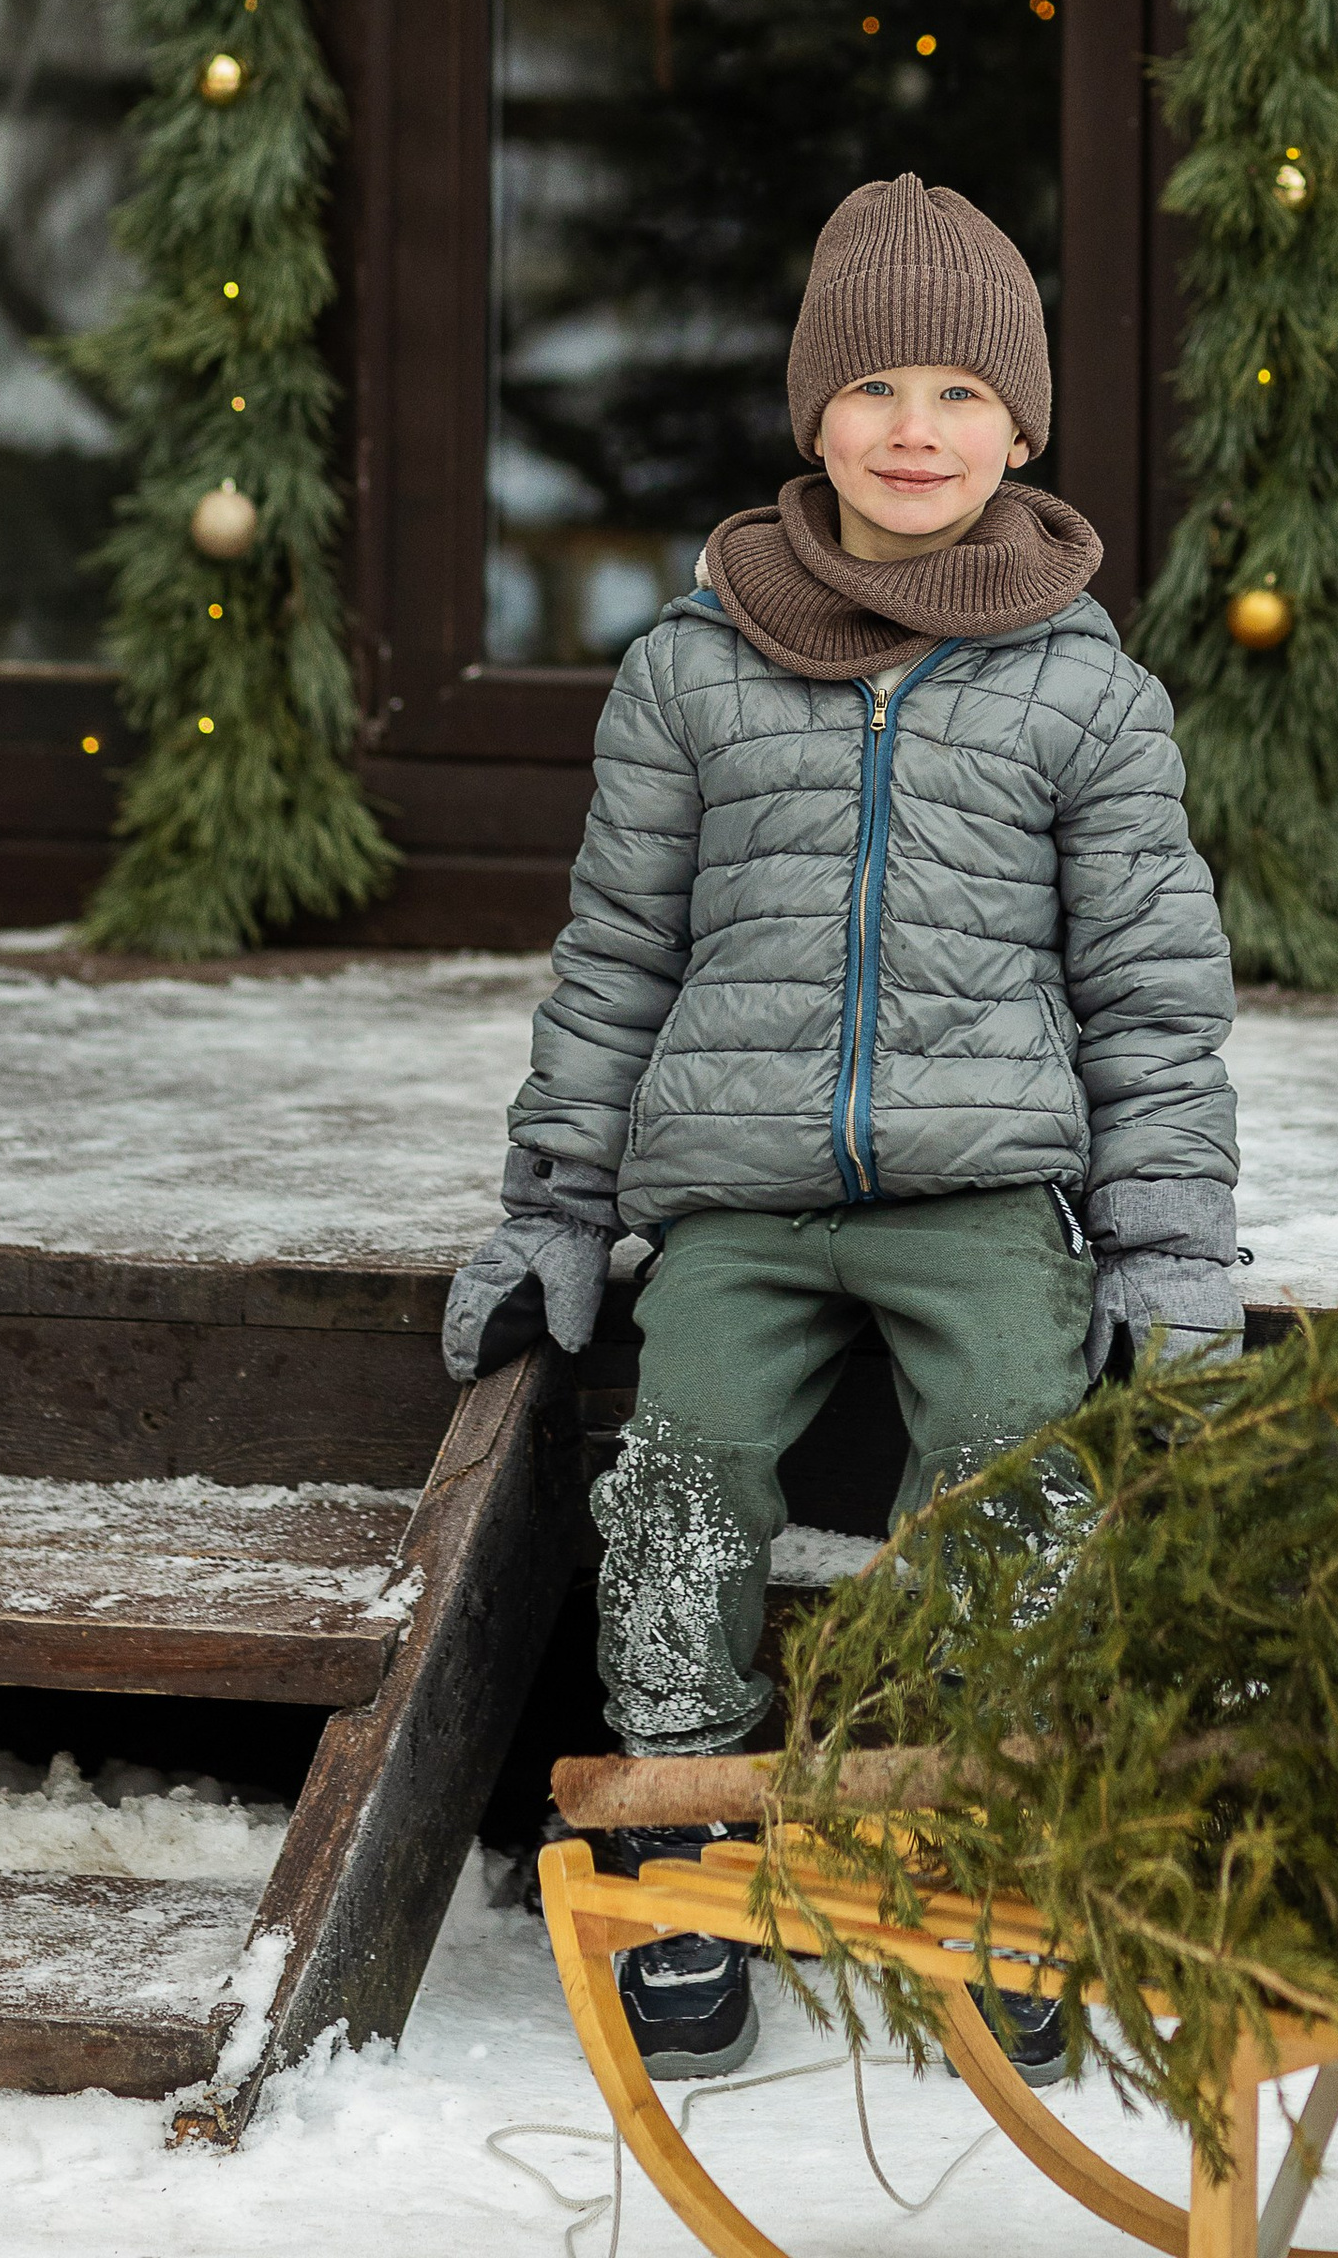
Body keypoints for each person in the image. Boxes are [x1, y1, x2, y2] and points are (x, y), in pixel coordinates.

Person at [444, 171, 1240, 2080]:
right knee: (681, 1459)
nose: (913, 427)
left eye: (961, 392)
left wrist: (1171, 1246)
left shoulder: (1084, 691)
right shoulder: (693, 668)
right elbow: (617, 952)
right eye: (875, 383)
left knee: (1012, 1470)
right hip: (736, 1194)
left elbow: (1151, 990)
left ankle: (1000, 1844)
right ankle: (673, 1831)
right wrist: (554, 1204)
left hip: (980, 1187)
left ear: (1021, 428)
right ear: (812, 412)